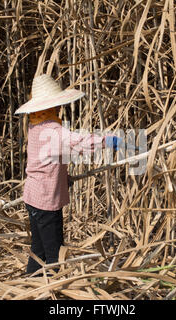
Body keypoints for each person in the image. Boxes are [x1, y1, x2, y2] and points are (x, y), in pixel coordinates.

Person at [14, 74, 121, 275]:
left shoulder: (34, 125)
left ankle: (30, 283)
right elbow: (80, 142)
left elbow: (45, 158)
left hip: (33, 196)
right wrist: (108, 141)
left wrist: (64, 178)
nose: (59, 108)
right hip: (46, 201)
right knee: (55, 252)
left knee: (38, 249)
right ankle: (56, 290)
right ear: (52, 106)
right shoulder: (53, 130)